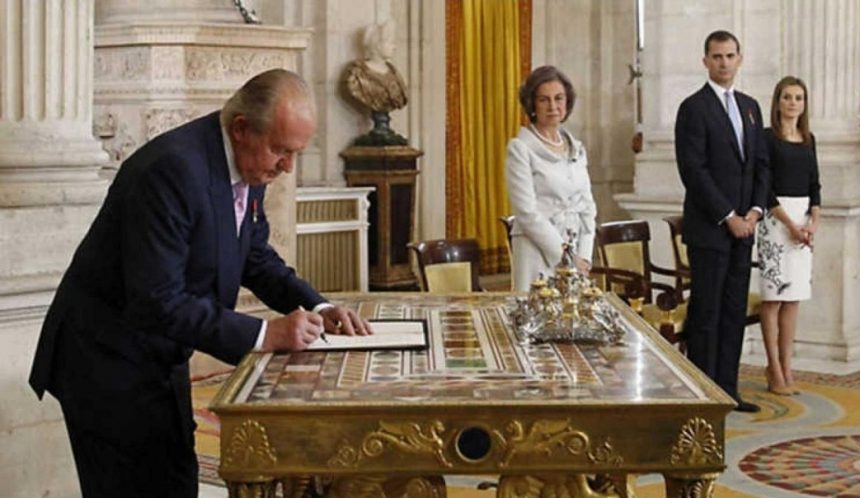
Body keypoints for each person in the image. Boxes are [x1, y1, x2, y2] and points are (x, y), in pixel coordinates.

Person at [28, 69, 372, 498]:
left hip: (157, 353)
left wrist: (319, 307)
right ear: (241, 128)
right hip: (106, 360)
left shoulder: (248, 164)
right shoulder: (172, 170)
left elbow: (255, 257)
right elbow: (157, 300)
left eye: (295, 153)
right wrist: (265, 334)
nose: (287, 167)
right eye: (281, 151)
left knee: (175, 481)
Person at [674, 31, 770, 413]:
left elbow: (761, 165)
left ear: (739, 59)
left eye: (730, 56)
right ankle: (704, 397)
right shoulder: (693, 108)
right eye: (717, 56)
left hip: (745, 230)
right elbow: (693, 171)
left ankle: (729, 392)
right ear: (706, 61)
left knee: (733, 313)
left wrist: (754, 212)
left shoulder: (750, 107)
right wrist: (729, 216)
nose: (724, 63)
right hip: (710, 230)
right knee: (707, 314)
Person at [506, 65, 597, 292]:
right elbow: (526, 212)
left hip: (576, 253)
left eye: (559, 98)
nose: (553, 106)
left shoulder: (576, 148)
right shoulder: (520, 149)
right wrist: (565, 257)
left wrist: (584, 257)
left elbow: (587, 208)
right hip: (536, 251)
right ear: (532, 105)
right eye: (543, 100)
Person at [757, 76, 821, 396]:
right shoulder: (766, 138)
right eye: (787, 97)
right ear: (777, 102)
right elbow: (764, 188)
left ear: (804, 104)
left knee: (793, 298)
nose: (793, 103)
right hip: (775, 222)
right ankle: (773, 368)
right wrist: (790, 225)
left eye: (798, 98)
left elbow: (815, 186)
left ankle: (787, 367)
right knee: (773, 299)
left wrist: (812, 223)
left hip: (803, 222)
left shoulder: (809, 139)